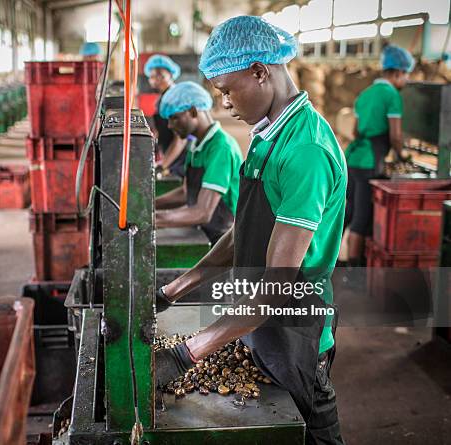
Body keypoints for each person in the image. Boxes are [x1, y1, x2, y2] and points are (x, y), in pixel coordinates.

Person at [154, 16, 346, 445]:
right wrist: (172, 291)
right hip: (256, 322)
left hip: (296, 327)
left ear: (261, 71)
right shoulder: (265, 137)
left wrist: (186, 354)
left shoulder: (305, 152)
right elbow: (245, 231)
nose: (222, 103)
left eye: (226, 90)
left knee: (313, 430)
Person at [344, 45, 414, 267]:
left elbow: (355, 131)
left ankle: (326, 260)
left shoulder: (364, 94)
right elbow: (395, 135)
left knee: (349, 211)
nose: (405, 81)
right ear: (397, 73)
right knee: (362, 219)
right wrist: (403, 155)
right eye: (406, 75)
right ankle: (354, 270)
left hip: (353, 158)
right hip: (369, 163)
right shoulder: (392, 96)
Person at [155, 81, 242, 245]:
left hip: (225, 238)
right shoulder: (195, 144)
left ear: (193, 111)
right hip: (204, 231)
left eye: (174, 118)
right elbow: (186, 192)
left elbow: (203, 212)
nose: (170, 125)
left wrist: (154, 219)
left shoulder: (221, 148)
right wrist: (150, 205)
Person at [144, 54, 188, 177]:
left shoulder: (174, 98)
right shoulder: (162, 99)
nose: (156, 80)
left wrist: (163, 165)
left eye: (160, 76)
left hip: (182, 158)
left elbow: (181, 139)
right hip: (171, 153)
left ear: (171, 75)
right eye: (152, 76)